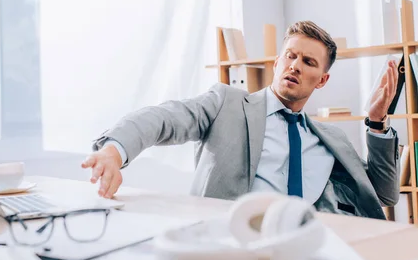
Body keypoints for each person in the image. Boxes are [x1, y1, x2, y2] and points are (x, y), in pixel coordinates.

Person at [82, 21, 400, 219]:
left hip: (311, 246)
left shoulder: (330, 140)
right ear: (277, 62)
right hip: (232, 242)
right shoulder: (227, 104)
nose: (295, 65)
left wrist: (376, 122)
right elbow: (166, 118)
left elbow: (383, 195)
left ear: (322, 80)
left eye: (308, 61)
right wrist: (115, 150)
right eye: (290, 56)